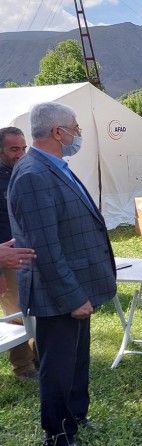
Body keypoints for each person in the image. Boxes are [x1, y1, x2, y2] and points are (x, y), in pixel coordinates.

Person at [8, 102, 117, 446]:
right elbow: (44, 246)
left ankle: (77, 416)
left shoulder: (52, 167)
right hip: (58, 293)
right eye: (75, 128)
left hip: (75, 284)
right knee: (58, 366)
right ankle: (57, 433)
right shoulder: (33, 175)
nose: (78, 134)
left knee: (76, 360)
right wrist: (72, 297)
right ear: (58, 132)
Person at [0, 126, 39, 382]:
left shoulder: (19, 173)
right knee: (16, 312)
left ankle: (37, 357)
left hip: (26, 253)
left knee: (32, 308)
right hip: (5, 258)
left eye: (23, 148)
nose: (20, 153)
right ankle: (23, 368)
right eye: (14, 149)